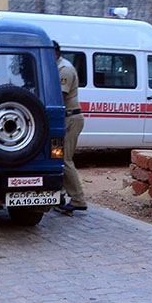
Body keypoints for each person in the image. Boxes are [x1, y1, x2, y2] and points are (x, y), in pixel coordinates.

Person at [54, 40, 88, 215]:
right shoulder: (57, 67)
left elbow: (59, 96)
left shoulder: (64, 69)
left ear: (56, 53)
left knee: (65, 160)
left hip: (71, 118)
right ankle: (59, 196)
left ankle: (78, 200)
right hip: (66, 117)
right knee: (58, 160)